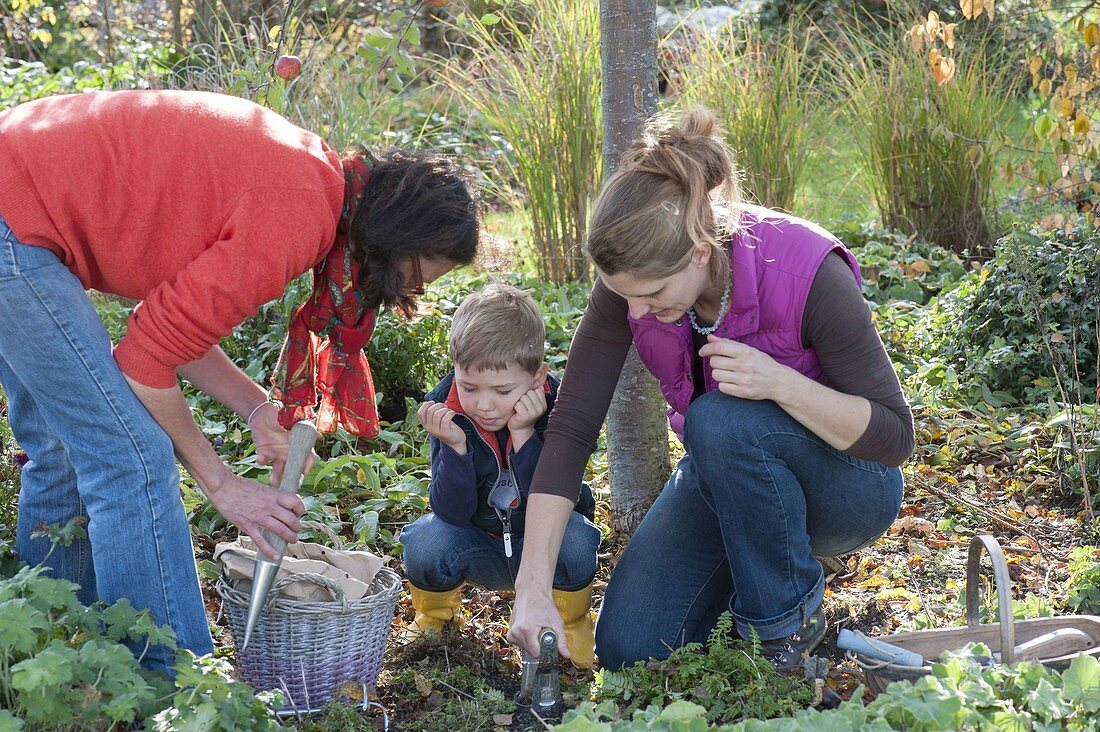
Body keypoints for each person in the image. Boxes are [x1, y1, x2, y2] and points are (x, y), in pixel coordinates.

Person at [0, 89, 480, 674]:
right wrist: (223, 485)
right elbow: (144, 359)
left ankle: (41, 655)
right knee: (131, 458)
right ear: (398, 240)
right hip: (17, 221)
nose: (412, 293)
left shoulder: (314, 180)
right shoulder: (296, 215)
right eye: (417, 275)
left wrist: (258, 409)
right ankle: (179, 689)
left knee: (62, 450)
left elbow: (167, 328)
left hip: (16, 194)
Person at [507, 108, 914, 672]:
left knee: (719, 420)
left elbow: (894, 438)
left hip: (848, 486)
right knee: (630, 648)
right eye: (625, 298)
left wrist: (779, 384)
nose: (636, 312)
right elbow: (573, 429)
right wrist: (532, 586)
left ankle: (785, 636)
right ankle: (757, 576)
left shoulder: (806, 270)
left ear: (700, 253)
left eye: (651, 296)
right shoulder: (633, 284)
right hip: (728, 474)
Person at [401, 283, 601, 667]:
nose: (484, 405)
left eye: (502, 389)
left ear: (538, 376)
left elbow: (559, 495)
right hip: (479, 542)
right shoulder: (447, 409)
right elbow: (451, 512)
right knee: (424, 542)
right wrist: (456, 450)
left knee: (577, 539)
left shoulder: (558, 407)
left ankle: (571, 622)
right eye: (469, 386)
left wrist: (525, 435)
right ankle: (435, 620)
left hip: (541, 546)